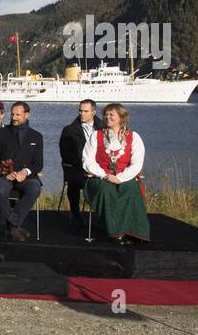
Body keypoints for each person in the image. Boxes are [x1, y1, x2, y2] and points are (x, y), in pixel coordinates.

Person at [83, 103, 150, 243]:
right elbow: (87, 160)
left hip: (124, 177)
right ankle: (114, 231)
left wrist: (120, 178)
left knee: (131, 189)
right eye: (106, 115)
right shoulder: (96, 135)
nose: (107, 117)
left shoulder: (134, 137)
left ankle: (132, 232)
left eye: (111, 114)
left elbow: (137, 163)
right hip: (100, 177)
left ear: (121, 117)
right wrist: (103, 175)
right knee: (105, 190)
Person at [0, 101, 43, 241]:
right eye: (12, 114)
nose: (14, 117)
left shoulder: (36, 136)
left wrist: (25, 172)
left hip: (26, 177)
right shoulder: (0, 134)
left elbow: (38, 164)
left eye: (18, 114)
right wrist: (4, 171)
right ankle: (14, 228)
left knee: (35, 188)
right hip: (3, 175)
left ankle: (11, 224)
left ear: (27, 114)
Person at [59, 99, 103, 228]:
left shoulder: (103, 128)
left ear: (93, 112)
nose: (82, 114)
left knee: (109, 183)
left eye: (85, 111)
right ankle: (75, 213)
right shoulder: (69, 130)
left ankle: (107, 216)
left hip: (100, 169)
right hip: (77, 168)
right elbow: (66, 154)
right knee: (76, 182)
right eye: (80, 110)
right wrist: (86, 166)